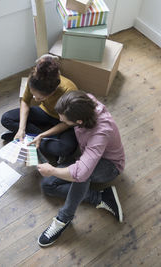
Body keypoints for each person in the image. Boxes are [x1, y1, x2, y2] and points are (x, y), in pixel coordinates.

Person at [36, 90, 125, 247]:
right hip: (88, 156)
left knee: (82, 175)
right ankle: (101, 197)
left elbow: (81, 173)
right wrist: (43, 135)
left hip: (109, 166)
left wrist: (52, 170)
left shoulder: (101, 133)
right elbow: (65, 123)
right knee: (47, 185)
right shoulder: (85, 101)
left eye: (65, 120)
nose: (62, 121)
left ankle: (64, 219)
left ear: (78, 121)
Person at [1, 54, 78, 161]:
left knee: (66, 149)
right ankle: (39, 140)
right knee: (6, 118)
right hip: (45, 112)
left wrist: (41, 135)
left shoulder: (69, 91)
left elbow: (67, 123)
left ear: (53, 91)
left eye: (40, 98)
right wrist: (21, 128)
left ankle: (31, 139)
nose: (36, 100)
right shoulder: (34, 79)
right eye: (34, 95)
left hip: (64, 121)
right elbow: (25, 101)